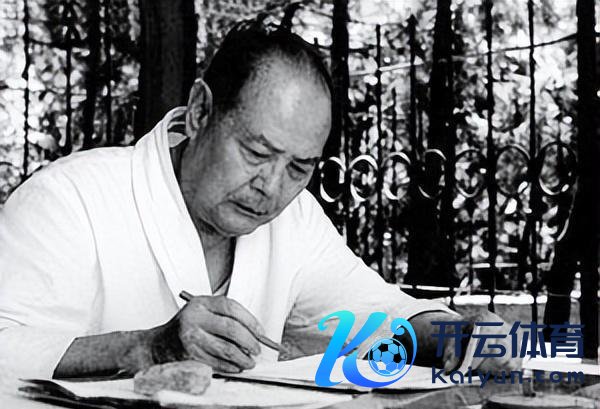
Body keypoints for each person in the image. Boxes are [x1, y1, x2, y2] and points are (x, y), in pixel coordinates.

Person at [0, 20, 518, 388]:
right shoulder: (70, 200)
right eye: (256, 152)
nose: (271, 187)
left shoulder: (294, 221)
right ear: (200, 111)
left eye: (298, 167)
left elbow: (378, 313)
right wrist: (144, 348)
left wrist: (456, 333)